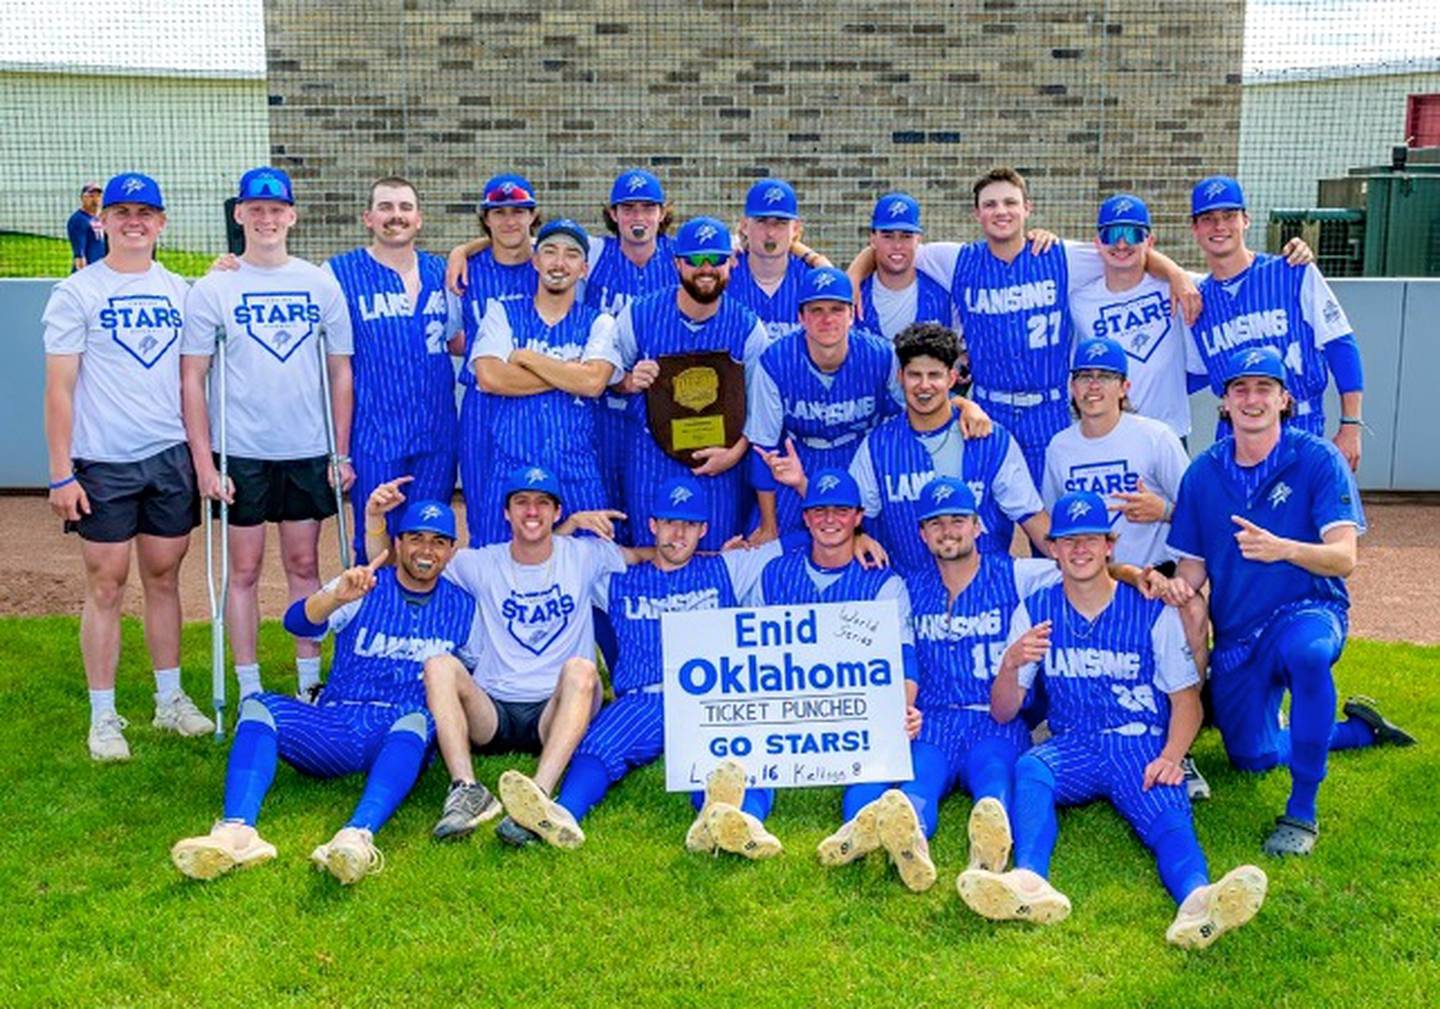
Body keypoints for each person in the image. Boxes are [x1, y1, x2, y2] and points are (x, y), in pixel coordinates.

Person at [956, 490, 1268, 950]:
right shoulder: (1036, 610)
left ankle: (1198, 901)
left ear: (1109, 545)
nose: (1079, 549)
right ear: (1054, 549)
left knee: (1166, 812)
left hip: (1137, 742)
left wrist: (1172, 757)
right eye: (1068, 540)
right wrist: (1009, 664)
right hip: (1075, 743)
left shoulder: (1148, 608)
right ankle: (1029, 883)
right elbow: (1004, 710)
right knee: (1032, 767)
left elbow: (1187, 702)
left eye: (1090, 539)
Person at [1159, 346, 1414, 857]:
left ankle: (1302, 811)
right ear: (1224, 403)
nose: (1252, 399)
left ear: (1284, 399)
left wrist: (1283, 550)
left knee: (1310, 654)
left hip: (1307, 608)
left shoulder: (1317, 459)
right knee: (1249, 757)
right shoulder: (1203, 474)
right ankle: (1357, 734)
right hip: (1238, 633)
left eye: (1264, 388)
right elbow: (1192, 568)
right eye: (1240, 389)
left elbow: (1343, 559)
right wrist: (1176, 587)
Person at [170, 499, 475, 885]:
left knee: (418, 718)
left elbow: (470, 680)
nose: (426, 550)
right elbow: (297, 623)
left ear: (451, 551)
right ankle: (237, 831)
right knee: (258, 707)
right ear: (397, 543)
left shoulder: (464, 605)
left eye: (438, 542)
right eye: (416, 538)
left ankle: (358, 835)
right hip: (335, 721)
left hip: (399, 733)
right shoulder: (363, 583)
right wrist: (334, 596)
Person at [850, 167, 1200, 487]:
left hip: (1050, 411)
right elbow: (895, 250)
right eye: (990, 204)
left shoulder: (1058, 255)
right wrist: (852, 275)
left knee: (1054, 521)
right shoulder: (957, 259)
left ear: (1027, 208)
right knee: (986, 519)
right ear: (977, 213)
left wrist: (1175, 274)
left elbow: (1123, 251)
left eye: (1009, 202)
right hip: (989, 409)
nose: (1000, 211)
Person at [488, 476, 780, 850]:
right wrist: (572, 523)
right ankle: (560, 816)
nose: (679, 533)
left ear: (704, 529)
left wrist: (857, 536)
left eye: (690, 524)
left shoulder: (728, 567)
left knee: (739, 757)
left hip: (710, 696)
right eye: (670, 522)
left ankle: (741, 823)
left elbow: (805, 541)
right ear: (652, 525)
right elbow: (547, 555)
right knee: (599, 746)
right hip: (644, 696)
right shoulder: (616, 578)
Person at [365, 467, 639, 845]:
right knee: (440, 665)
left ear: (557, 512)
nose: (532, 511)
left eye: (543, 503)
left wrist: (721, 554)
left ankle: (538, 799)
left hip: (554, 710)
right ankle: (466, 788)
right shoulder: (480, 563)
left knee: (581, 669)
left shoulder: (585, 555)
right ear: (506, 512)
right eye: (522, 502)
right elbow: (404, 567)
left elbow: (644, 557)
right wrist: (375, 520)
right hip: (492, 709)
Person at [42, 171, 211, 761]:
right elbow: (59, 389)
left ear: (162, 223)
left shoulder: (183, 292)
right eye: (122, 213)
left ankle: (170, 701)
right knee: (107, 583)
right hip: (103, 460)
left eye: (146, 213)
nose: (134, 222)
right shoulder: (78, 293)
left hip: (168, 456)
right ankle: (104, 715)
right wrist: (61, 472)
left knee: (164, 577)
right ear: (102, 221)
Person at [181, 166, 355, 703]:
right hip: (243, 452)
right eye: (255, 209)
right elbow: (192, 375)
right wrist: (206, 466)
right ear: (239, 214)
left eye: (276, 209)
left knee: (304, 564)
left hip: (306, 448)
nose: (266, 218)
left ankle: (309, 682)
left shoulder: (318, 283)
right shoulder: (215, 286)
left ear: (292, 216)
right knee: (245, 569)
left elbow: (340, 371)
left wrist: (339, 451)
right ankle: (249, 684)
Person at [738, 469, 920, 872]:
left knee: (878, 750)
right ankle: (744, 821)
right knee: (749, 750)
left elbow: (904, 656)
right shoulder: (775, 573)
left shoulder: (884, 582)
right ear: (805, 517)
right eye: (819, 511)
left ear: (858, 518)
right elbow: (746, 651)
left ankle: (856, 829)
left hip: (849, 714)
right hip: (786, 708)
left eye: (840, 511)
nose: (829, 519)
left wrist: (902, 709)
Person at [769, 322, 1046, 579]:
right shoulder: (879, 446)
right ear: (900, 377)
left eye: (934, 375)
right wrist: (858, 537)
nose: (924, 386)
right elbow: (850, 514)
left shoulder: (988, 439)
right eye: (915, 375)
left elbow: (1032, 517)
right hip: (910, 594)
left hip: (987, 592)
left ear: (951, 378)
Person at [610, 216, 769, 550]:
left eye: (716, 259)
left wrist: (734, 454)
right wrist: (627, 380)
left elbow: (763, 408)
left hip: (720, 464)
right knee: (655, 559)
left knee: (716, 559)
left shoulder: (748, 328)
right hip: (651, 460)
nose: (706, 268)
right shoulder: (638, 315)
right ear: (676, 263)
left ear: (733, 262)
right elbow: (607, 378)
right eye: (695, 259)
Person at [1185, 176, 1365, 470]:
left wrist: (1351, 424)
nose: (1219, 226)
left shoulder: (1292, 271)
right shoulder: (1197, 300)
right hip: (1233, 435)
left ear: (1246, 220)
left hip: (1301, 424)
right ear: (1195, 229)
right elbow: (1196, 374)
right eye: (1208, 218)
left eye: (1229, 216)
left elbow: (1340, 345)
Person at [327, 176, 461, 565]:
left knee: (429, 538)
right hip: (376, 434)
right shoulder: (337, 273)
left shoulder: (443, 273)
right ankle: (370, 619)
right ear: (368, 218)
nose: (395, 216)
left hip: (436, 433)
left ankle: (421, 624)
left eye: (405, 208)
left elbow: (457, 339)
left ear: (419, 219)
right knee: (374, 539)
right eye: (385, 207)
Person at [470, 218, 620, 544]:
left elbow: (594, 382)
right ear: (535, 261)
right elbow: (491, 376)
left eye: (571, 254)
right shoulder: (502, 311)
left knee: (589, 576)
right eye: (550, 252)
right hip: (512, 469)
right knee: (500, 573)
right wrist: (570, 373)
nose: (559, 262)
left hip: (577, 471)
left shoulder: (601, 322)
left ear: (584, 268)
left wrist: (526, 356)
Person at [746, 265, 904, 540]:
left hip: (860, 457)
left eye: (836, 309)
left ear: (852, 314)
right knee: (767, 544)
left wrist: (965, 406)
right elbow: (763, 446)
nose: (827, 319)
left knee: (883, 541)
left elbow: (916, 407)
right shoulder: (775, 360)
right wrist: (768, 525)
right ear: (801, 317)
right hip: (799, 457)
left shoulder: (881, 355)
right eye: (816, 310)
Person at [445, 173, 542, 544]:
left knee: (536, 507)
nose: (509, 221)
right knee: (485, 513)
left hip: (537, 400)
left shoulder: (549, 263)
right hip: (483, 405)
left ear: (533, 215)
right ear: (486, 219)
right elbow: (454, 338)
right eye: (499, 212)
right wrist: (463, 251)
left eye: (519, 211)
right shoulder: (466, 271)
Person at [583, 169, 680, 540]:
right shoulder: (593, 254)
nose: (638, 217)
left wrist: (813, 257)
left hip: (662, 409)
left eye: (647, 208)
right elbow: (524, 243)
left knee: (651, 514)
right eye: (628, 208)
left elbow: (751, 242)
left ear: (662, 212)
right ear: (612, 214)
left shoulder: (680, 255)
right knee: (603, 513)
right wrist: (465, 249)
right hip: (603, 407)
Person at [1065, 194, 1207, 441]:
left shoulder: (1178, 288)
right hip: (1105, 437)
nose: (1121, 244)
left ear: (1150, 241)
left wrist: (1296, 255)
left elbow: (1240, 277)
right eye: (1112, 235)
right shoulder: (1078, 302)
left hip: (1168, 435)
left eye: (1133, 234)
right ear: (1097, 243)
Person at [1041, 336, 1190, 569]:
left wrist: (1165, 511)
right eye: (1084, 376)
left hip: (1154, 576)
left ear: (1124, 388)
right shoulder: (1059, 447)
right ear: (1072, 386)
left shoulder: (1157, 437)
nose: (1094, 385)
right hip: (1090, 582)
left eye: (1106, 377)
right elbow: (1054, 521)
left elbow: (1202, 513)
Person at [727, 178, 831, 344]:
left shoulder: (812, 280)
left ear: (795, 228)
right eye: (762, 221)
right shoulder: (725, 275)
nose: (771, 232)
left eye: (781, 223)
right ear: (745, 225)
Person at [855, 192, 953, 342]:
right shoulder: (855, 296)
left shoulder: (941, 296)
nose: (897, 245)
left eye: (906, 236)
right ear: (873, 238)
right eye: (888, 236)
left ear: (918, 240)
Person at [67, 181, 106, 272]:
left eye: (98, 196)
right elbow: (79, 249)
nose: (95, 200)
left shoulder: (100, 217)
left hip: (100, 267)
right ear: (83, 198)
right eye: (91, 196)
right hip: (88, 269)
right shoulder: (78, 220)